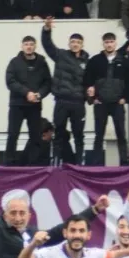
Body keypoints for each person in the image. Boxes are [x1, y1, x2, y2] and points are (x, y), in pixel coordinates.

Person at [42, 18, 89, 164]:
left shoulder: (87, 61)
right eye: (73, 42)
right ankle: (56, 162)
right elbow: (47, 45)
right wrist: (47, 30)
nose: (75, 44)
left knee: (78, 135)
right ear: (69, 44)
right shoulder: (61, 55)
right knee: (59, 133)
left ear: (82, 45)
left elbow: (92, 82)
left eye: (78, 42)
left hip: (78, 103)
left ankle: (80, 163)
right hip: (62, 101)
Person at [4, 35, 52, 165]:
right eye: (26, 44)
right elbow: (10, 82)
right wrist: (26, 93)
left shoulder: (42, 62)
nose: (29, 47)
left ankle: (34, 164)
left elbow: (48, 83)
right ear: (22, 46)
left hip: (34, 105)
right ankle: (9, 164)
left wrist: (39, 94)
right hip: (17, 105)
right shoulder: (14, 62)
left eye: (31, 44)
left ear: (35, 46)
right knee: (13, 134)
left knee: (35, 136)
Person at [84, 32, 129, 166]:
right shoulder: (95, 60)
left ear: (115, 43)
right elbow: (87, 80)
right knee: (99, 135)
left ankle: (124, 163)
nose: (109, 45)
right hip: (101, 103)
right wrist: (92, 98)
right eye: (107, 42)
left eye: (111, 42)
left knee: (121, 134)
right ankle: (96, 165)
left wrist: (125, 98)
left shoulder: (124, 61)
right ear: (103, 43)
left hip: (117, 103)